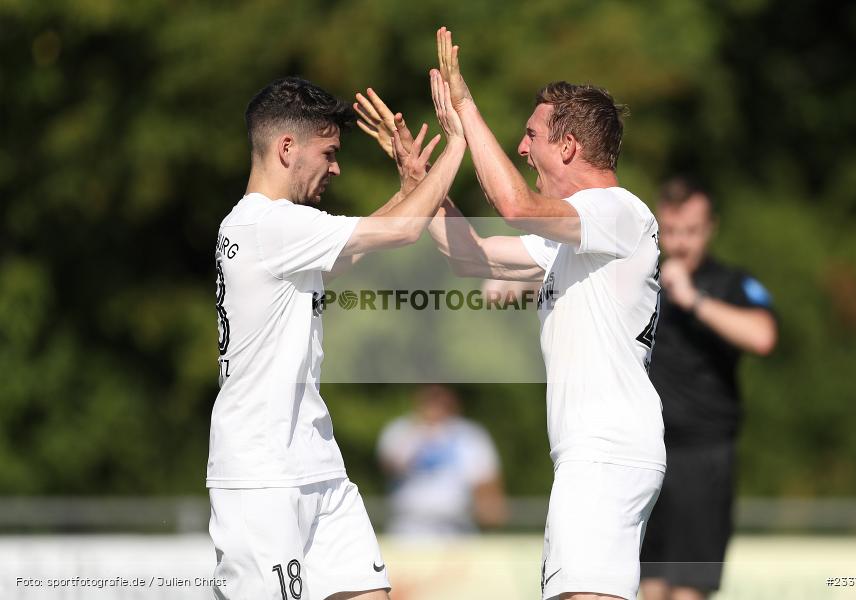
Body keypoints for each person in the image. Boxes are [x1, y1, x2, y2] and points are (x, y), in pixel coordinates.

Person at [355, 28, 665, 600]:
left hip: (605, 450)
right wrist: (423, 182)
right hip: (591, 453)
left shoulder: (615, 210)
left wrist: (466, 112)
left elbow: (515, 205)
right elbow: (470, 257)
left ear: (568, 146)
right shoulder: (577, 236)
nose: (523, 149)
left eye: (531, 135)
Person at [207, 73, 466, 600]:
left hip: (315, 462)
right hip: (262, 475)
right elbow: (401, 232)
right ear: (286, 148)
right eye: (328, 152)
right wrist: (458, 141)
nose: (336, 166)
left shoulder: (278, 230)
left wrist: (412, 187)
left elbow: (355, 248)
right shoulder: (266, 225)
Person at [639, 178, 778, 600]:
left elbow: (762, 336)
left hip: (704, 456)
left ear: (710, 228)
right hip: (646, 453)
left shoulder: (731, 282)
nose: (680, 244)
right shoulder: (640, 280)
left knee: (689, 592)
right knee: (648, 587)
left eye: (691, 231)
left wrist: (693, 300)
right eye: (672, 231)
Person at [377, 384, 507, 538]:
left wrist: (491, 518)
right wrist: (422, 433)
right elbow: (389, 466)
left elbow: (487, 486)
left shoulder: (471, 435)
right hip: (408, 530)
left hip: (457, 529)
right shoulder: (399, 430)